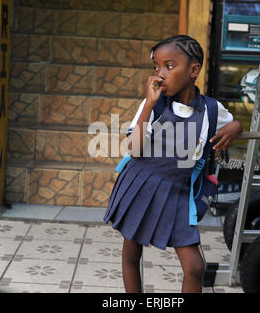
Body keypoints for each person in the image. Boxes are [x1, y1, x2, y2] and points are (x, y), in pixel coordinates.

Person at [103, 35, 242, 293]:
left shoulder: (211, 109)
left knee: (195, 267)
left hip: (178, 193)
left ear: (193, 70)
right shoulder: (153, 104)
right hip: (141, 183)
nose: (160, 74)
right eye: (156, 67)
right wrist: (150, 104)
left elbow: (232, 123)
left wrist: (235, 126)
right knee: (132, 254)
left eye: (169, 66)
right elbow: (133, 149)